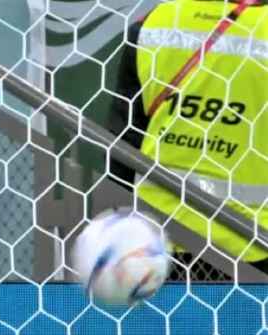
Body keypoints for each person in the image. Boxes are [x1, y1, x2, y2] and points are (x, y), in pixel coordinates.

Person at [108, 0, 268, 276]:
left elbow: (122, 144)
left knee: (164, 321)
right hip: (250, 243)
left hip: (156, 240)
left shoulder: (153, 23)